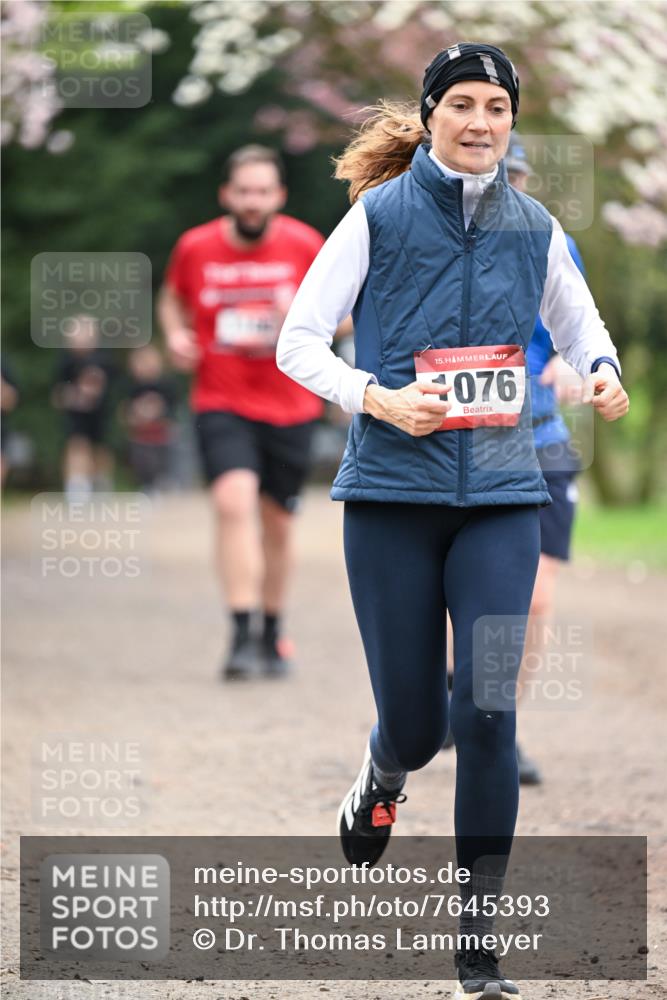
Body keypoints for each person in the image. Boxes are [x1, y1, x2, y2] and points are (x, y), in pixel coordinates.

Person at [277, 43, 628, 999]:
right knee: (417, 725)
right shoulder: (377, 217)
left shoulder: (533, 223)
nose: (480, 122)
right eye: (462, 104)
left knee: (486, 706)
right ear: (430, 113)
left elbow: (582, 326)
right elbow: (296, 342)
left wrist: (603, 374)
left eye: (497, 108)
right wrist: (373, 400)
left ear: (513, 122)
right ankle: (382, 775)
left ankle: (478, 947)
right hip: (392, 496)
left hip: (504, 496)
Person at [158, 145, 327, 679]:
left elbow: (346, 316)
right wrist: (176, 335)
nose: (252, 201)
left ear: (278, 196)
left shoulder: (305, 244)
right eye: (243, 191)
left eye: (262, 192)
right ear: (226, 195)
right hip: (221, 397)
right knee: (233, 503)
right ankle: (239, 632)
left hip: (291, 403)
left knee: (277, 524)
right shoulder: (196, 246)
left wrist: (300, 318)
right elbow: (171, 297)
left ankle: (272, 630)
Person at [506, 136, 587, 785]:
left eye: (514, 175)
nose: (505, 185)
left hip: (544, 437)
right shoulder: (442, 246)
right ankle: (461, 697)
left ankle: (501, 727)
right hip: (472, 444)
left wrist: (569, 361)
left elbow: (579, 329)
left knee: (533, 600)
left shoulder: (553, 243)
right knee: (471, 599)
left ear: (526, 178)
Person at [51, 315, 116, 501]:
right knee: (76, 445)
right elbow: (57, 393)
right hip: (75, 415)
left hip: (101, 414)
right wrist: (70, 396)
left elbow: (102, 386)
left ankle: (101, 483)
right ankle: (76, 486)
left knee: (100, 449)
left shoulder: (103, 359)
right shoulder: (65, 362)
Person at [121, 345, 178, 494]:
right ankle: (147, 485)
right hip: (141, 435)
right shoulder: (132, 387)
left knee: (163, 460)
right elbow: (127, 410)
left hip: (162, 434)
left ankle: (165, 481)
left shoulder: (166, 385)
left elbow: (172, 409)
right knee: (142, 462)